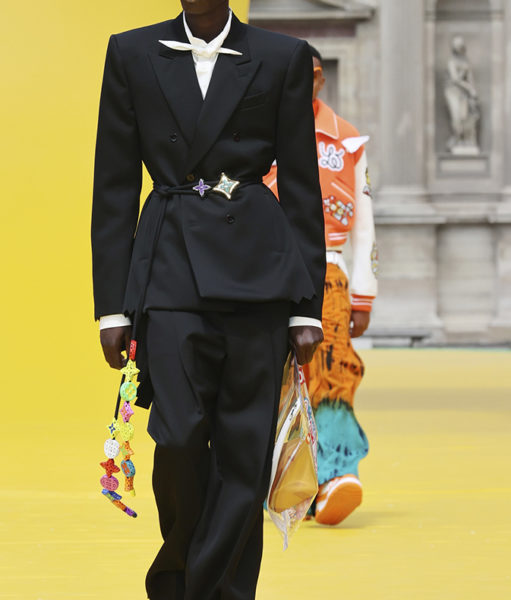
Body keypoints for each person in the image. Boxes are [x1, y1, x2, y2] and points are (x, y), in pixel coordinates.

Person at [91, 1, 325, 598]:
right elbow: (114, 186)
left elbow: (303, 187)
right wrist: (112, 307)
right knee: (176, 437)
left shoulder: (282, 57)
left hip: (258, 275)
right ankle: (184, 575)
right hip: (168, 267)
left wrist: (306, 305)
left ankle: (202, 591)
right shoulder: (131, 53)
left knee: (245, 453)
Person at [264, 44, 378, 526]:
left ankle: (335, 475)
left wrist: (363, 292)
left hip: (328, 268)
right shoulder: (258, 131)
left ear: (320, 78)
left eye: (308, 73)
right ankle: (280, 480)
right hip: (267, 268)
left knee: (333, 370)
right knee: (269, 375)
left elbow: (365, 220)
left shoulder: (347, 140)